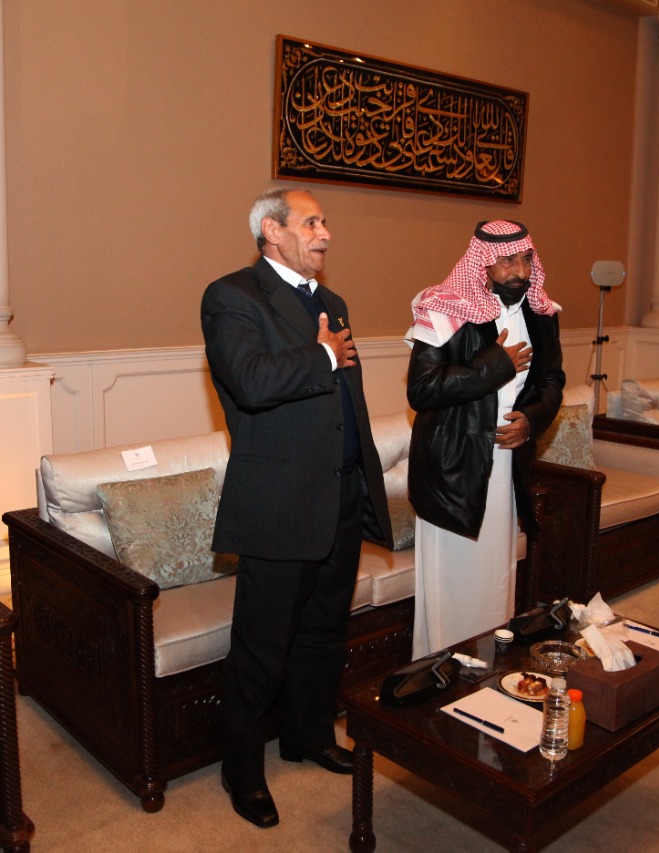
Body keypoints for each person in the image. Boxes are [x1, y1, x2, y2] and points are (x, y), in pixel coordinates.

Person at [201, 187, 392, 828]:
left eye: (325, 222)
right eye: (311, 223)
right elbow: (251, 382)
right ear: (272, 232)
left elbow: (346, 406)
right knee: (262, 648)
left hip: (341, 496)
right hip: (280, 504)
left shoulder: (332, 303)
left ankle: (306, 736)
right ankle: (241, 770)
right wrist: (323, 354)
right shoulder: (232, 296)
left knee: (323, 634)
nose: (325, 234)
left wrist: (364, 484)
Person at [405, 220, 565, 658]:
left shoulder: (542, 313)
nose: (520, 272)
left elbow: (553, 380)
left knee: (496, 579)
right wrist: (497, 364)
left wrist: (531, 420)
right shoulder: (445, 308)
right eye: (507, 261)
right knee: (452, 584)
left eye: (526, 260)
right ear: (483, 264)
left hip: (508, 466)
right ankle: (441, 669)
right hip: (453, 471)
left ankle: (488, 667)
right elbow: (422, 389)